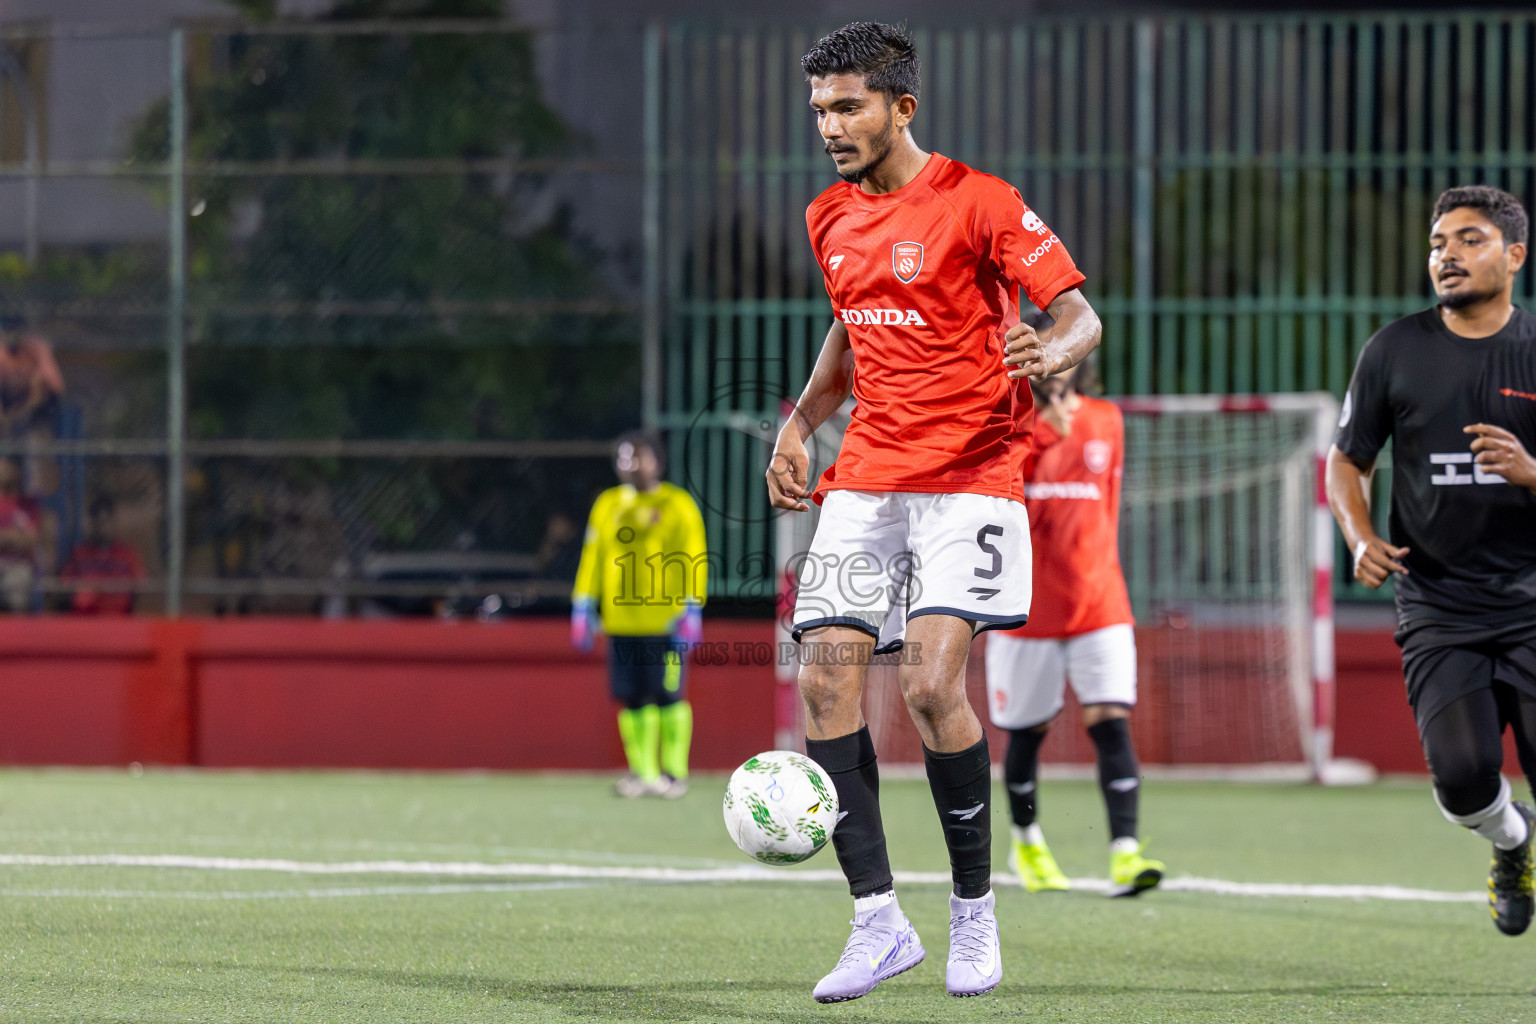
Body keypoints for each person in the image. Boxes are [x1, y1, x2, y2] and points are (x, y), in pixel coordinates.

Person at [767, 23, 1101, 1003]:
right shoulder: (826, 216)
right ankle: (878, 920)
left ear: (901, 107)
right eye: (820, 109)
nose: (830, 126)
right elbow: (848, 330)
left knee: (926, 682)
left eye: (849, 106)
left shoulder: (980, 201)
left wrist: (1052, 350)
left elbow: (1079, 313)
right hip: (866, 475)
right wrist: (800, 424)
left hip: (971, 474)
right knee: (823, 684)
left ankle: (972, 908)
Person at [1327, 184, 1536, 936]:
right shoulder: (1394, 350)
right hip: (1438, 604)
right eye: (1438, 243)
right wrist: (1358, 536)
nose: (1447, 254)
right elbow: (1346, 460)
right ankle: (1512, 841)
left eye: (1470, 240)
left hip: (1533, 601)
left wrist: (1532, 473)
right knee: (1462, 781)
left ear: (1515, 256)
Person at [984, 352, 1165, 898]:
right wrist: (1040, 433)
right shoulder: (1005, 421)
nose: (1053, 360)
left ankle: (1126, 853)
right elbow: (1001, 495)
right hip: (1026, 610)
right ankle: (1027, 843)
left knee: (1111, 721)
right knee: (1027, 732)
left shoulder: (1106, 419)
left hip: (1099, 603)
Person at [571, 431, 707, 800]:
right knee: (630, 698)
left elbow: (695, 556)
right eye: (623, 457)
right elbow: (593, 557)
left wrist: (692, 608)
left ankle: (674, 774)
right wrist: (583, 604)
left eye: (638, 456)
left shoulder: (677, 504)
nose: (630, 464)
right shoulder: (607, 504)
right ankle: (643, 773)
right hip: (620, 623)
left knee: (668, 696)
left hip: (666, 622)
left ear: (657, 462)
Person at [60, 495, 145, 615]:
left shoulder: (127, 555)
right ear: (92, 523)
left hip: (117, 617)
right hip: (84, 619)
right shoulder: (80, 555)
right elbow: (64, 586)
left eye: (106, 522)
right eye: (99, 522)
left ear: (114, 522)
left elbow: (140, 587)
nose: (103, 528)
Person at [0, 457, 38, 611]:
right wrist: (12, 536)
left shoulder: (27, 504)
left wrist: (7, 537)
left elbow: (31, 541)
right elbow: (18, 538)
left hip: (19, 565)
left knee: (17, 586)